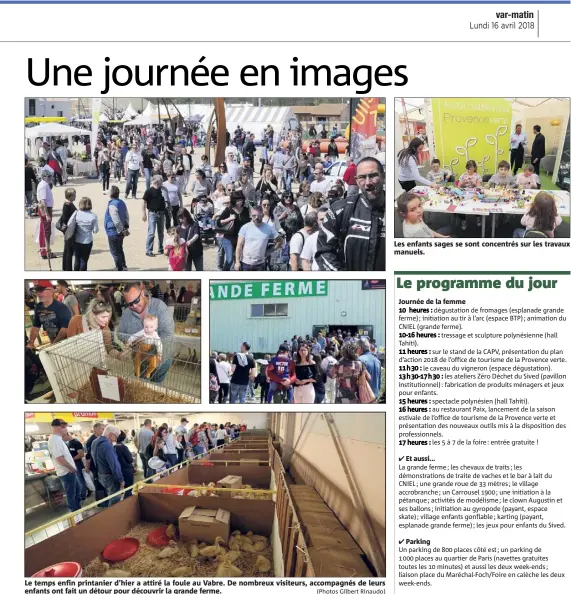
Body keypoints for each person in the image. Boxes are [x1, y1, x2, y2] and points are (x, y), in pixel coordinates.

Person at [316, 157, 386, 271]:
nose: (368, 183)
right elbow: (324, 251)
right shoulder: (340, 210)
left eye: (373, 176)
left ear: (383, 176)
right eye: (362, 177)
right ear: (357, 181)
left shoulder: (397, 211)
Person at [118, 281, 175, 382]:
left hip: (160, 360)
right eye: (130, 304)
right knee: (142, 386)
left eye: (136, 301)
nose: (134, 306)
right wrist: (133, 342)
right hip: (140, 360)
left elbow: (168, 334)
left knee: (155, 388)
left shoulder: (159, 306)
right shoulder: (127, 313)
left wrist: (151, 348)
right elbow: (120, 333)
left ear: (143, 293)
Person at [48, 419, 81, 513]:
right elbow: (59, 458)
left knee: (76, 493)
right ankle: (75, 515)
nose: (66, 430)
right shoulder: (54, 440)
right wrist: (71, 468)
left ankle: (78, 511)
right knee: (71, 495)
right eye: (65, 427)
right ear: (60, 427)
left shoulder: (58, 439)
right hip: (67, 473)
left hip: (69, 471)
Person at [235, 205, 282, 271]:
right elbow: (239, 246)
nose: (256, 218)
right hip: (245, 263)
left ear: (262, 215)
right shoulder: (245, 227)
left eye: (259, 215)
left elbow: (280, 241)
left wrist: (269, 251)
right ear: (251, 216)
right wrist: (237, 262)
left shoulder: (269, 228)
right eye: (254, 215)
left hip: (260, 264)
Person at [27, 280, 71, 348]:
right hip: (53, 342)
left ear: (51, 291)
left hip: (67, 344)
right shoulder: (38, 307)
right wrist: (31, 342)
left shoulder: (61, 307)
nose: (38, 294)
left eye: (41, 290)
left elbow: (64, 330)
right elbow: (36, 327)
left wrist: (54, 345)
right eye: (36, 291)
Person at [216, 191, 251, 271]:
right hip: (229, 237)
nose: (239, 202)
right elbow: (218, 222)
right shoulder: (228, 210)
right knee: (229, 260)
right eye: (237, 200)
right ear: (233, 200)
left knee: (239, 260)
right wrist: (229, 218)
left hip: (242, 238)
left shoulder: (245, 210)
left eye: (241, 200)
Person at [91, 425, 124, 506]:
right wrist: (121, 479)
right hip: (110, 477)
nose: (116, 440)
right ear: (111, 435)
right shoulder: (107, 446)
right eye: (116, 437)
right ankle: (112, 516)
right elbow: (114, 465)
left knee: (109, 495)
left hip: (101, 475)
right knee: (115, 500)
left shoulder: (94, 442)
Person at [67, 197, 99, 271]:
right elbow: (95, 230)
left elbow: (69, 224)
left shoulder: (76, 213)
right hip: (87, 241)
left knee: (77, 259)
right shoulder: (93, 216)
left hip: (77, 240)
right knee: (84, 260)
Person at [104, 185, 129, 271]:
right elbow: (126, 215)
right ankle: (124, 265)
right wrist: (126, 226)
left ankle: (119, 268)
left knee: (114, 251)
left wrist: (121, 230)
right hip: (120, 230)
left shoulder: (112, 205)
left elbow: (116, 220)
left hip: (114, 231)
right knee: (120, 249)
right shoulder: (121, 202)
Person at [142, 175, 168, 257]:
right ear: (156, 182)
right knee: (151, 232)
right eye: (160, 181)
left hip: (161, 213)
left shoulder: (163, 190)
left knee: (161, 233)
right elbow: (144, 202)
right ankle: (149, 250)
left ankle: (160, 248)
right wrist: (144, 214)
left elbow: (167, 200)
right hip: (152, 213)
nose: (162, 182)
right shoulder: (149, 191)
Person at [37, 169, 55, 260]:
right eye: (49, 176)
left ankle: (44, 250)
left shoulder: (43, 184)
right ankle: (46, 251)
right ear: (45, 177)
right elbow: (43, 201)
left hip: (45, 209)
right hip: (45, 209)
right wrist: (47, 214)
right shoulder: (44, 185)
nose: (51, 178)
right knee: (46, 232)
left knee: (44, 230)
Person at [66, 431, 88, 501]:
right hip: (73, 464)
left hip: (78, 464)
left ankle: (83, 496)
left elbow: (81, 454)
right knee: (78, 480)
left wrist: (71, 460)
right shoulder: (68, 443)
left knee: (80, 480)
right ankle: (81, 495)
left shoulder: (76, 442)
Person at [60, 188, 77, 271]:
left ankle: (66, 268)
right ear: (70, 196)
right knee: (69, 251)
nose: (75, 196)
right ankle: (68, 269)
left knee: (67, 250)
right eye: (74, 195)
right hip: (69, 231)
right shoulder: (67, 205)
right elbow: (65, 219)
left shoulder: (69, 204)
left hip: (68, 230)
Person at [114, 432, 134, 497]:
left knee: (120, 489)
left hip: (118, 470)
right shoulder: (124, 447)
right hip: (126, 470)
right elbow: (130, 459)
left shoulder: (113, 447)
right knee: (128, 488)